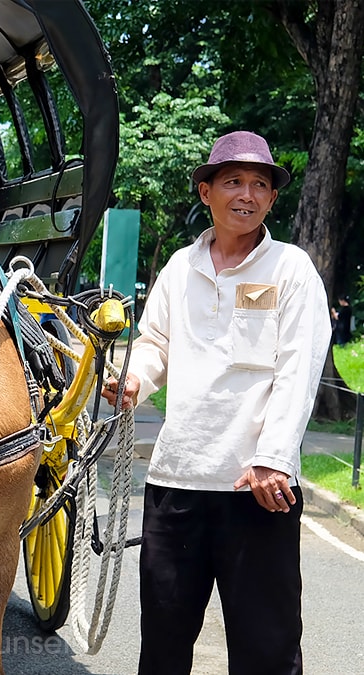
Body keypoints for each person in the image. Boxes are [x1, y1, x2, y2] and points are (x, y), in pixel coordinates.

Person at [102, 130, 331, 675]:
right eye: (233, 181)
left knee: (266, 649)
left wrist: (274, 456)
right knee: (163, 644)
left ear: (272, 199)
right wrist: (132, 379)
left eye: (259, 184)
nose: (246, 194)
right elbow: (155, 341)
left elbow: (298, 367)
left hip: (256, 488)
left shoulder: (291, 269)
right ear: (206, 192)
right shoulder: (181, 268)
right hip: (175, 483)